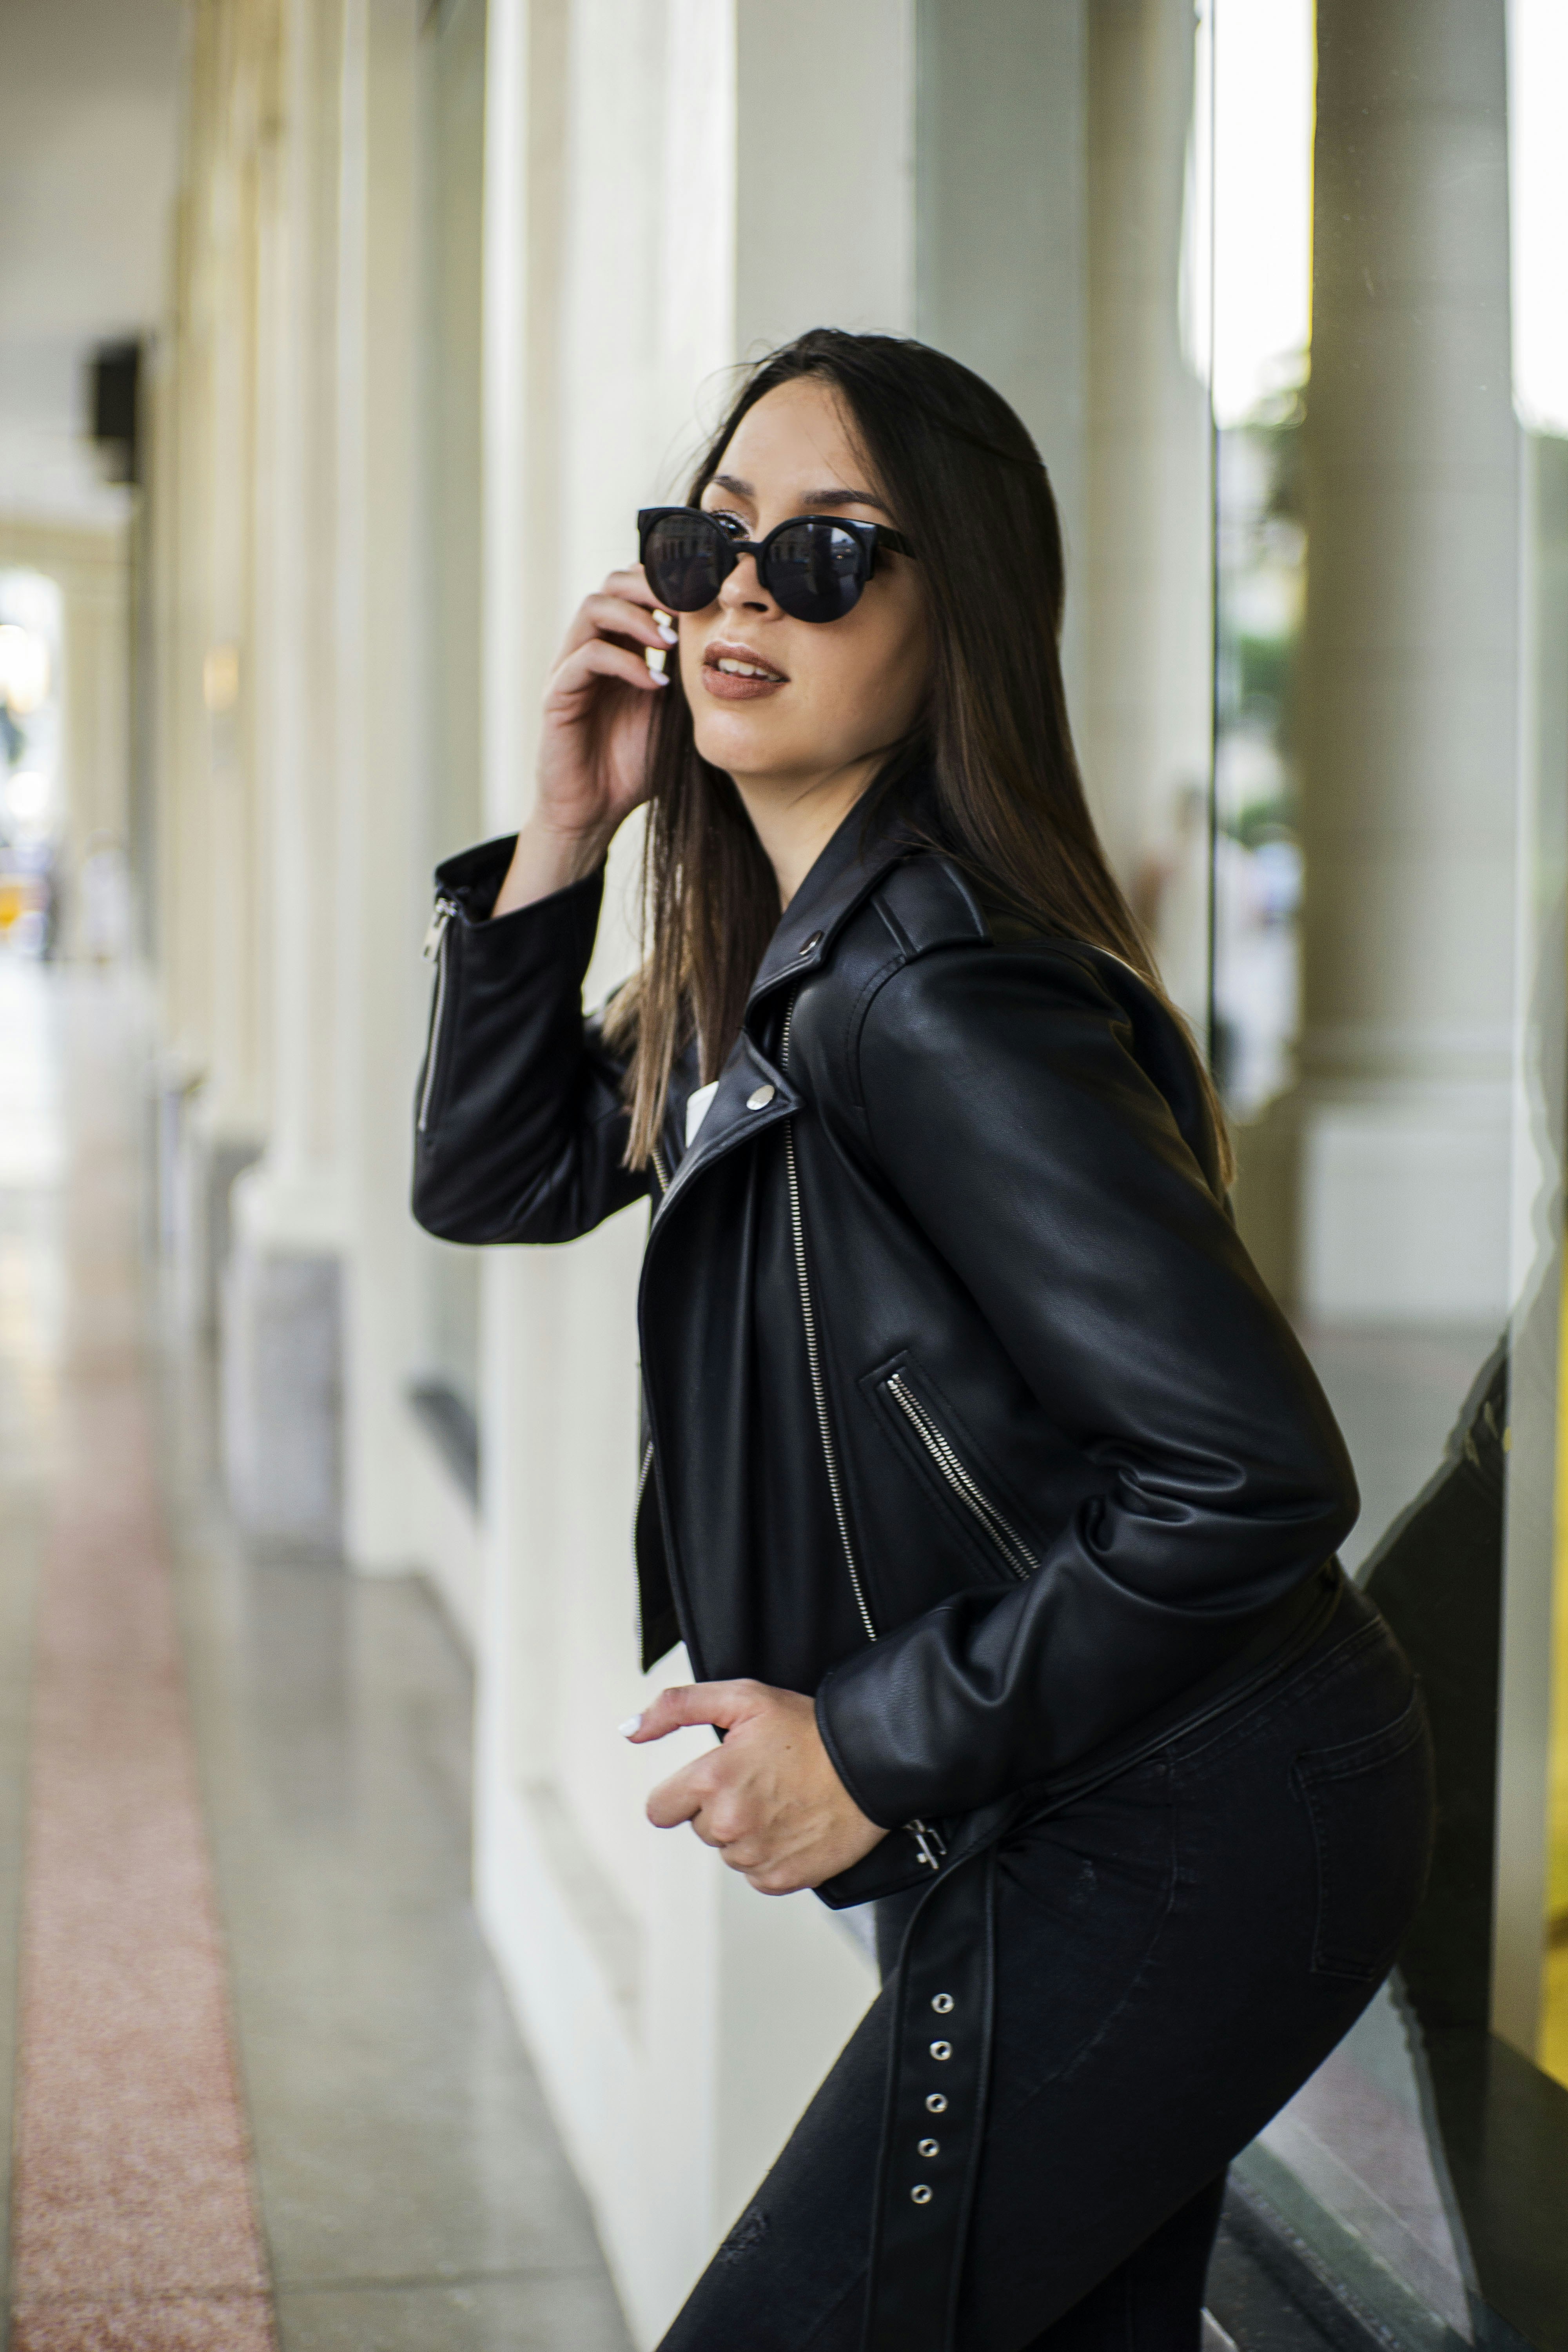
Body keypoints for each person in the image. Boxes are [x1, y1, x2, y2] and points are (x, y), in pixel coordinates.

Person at [412, 330, 1434, 2352]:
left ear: (960, 611)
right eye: (711, 540)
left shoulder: (932, 998)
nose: (737, 596)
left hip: (1183, 1819)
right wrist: (564, 839)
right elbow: (497, 1172)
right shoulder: (773, 966)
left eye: (827, 553)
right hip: (1069, 1782)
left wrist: (867, 1745)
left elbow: (1248, 1474)